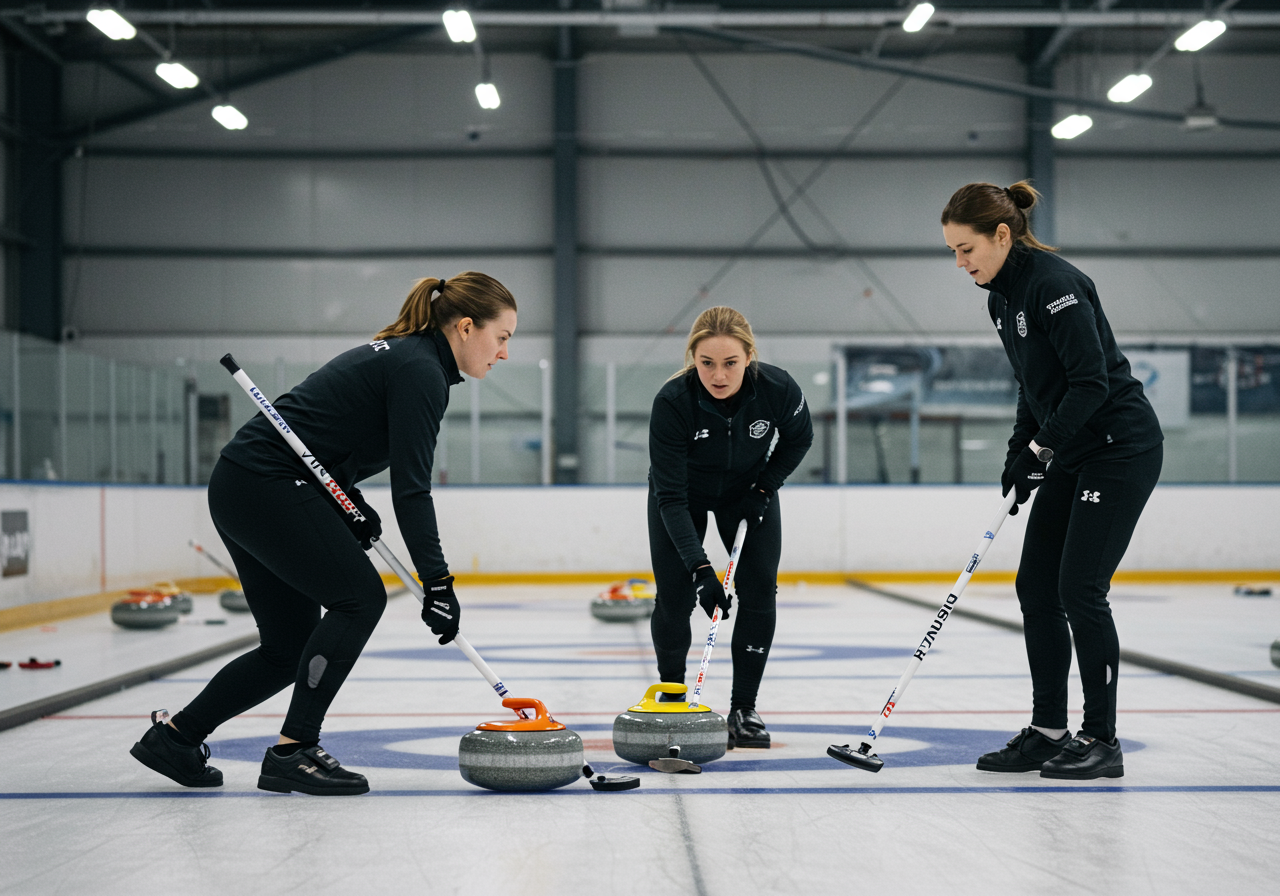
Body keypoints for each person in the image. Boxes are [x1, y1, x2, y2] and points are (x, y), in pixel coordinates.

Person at [130, 272, 517, 795]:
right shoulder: (419, 370)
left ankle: (175, 739)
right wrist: (438, 581)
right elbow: (412, 489)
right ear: (467, 327)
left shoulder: (408, 358)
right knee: (359, 599)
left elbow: (330, 436)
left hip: (243, 484)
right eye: (503, 338)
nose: (505, 353)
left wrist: (349, 501)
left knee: (289, 647)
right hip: (267, 483)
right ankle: (295, 751)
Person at [942, 182, 1163, 780]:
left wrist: (1043, 446)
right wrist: (1022, 450)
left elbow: (1090, 383)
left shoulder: (1054, 285)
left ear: (1002, 236)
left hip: (1118, 447)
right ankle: (1047, 731)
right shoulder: (1000, 298)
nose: (960, 264)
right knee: (1035, 587)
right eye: (954, 252)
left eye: (967, 250)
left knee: (1079, 590)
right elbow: (1035, 386)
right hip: (1073, 448)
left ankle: (1101, 739)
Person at [646, 306, 813, 748]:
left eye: (730, 363)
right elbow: (671, 498)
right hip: (683, 495)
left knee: (760, 590)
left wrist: (764, 488)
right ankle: (672, 698)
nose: (718, 376)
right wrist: (702, 570)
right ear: (692, 359)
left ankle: (744, 708)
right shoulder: (672, 403)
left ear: (749, 356)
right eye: (706, 363)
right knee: (675, 594)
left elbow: (799, 438)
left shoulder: (778, 389)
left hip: (747, 491)